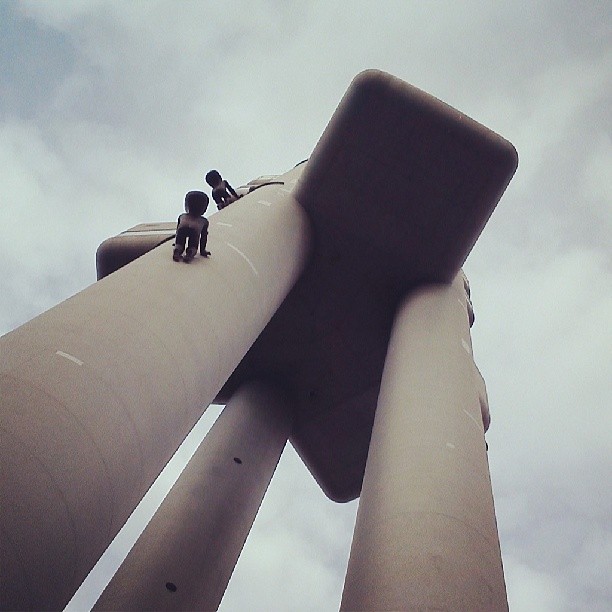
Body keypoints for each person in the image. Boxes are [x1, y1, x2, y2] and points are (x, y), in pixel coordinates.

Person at [173, 191, 211, 262]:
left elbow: (177, 231)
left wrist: (176, 242)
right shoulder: (203, 221)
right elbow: (203, 237)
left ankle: (177, 250)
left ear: (187, 205)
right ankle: (190, 253)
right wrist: (202, 251)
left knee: (180, 243)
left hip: (182, 229)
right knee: (193, 246)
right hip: (194, 231)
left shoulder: (182, 216)